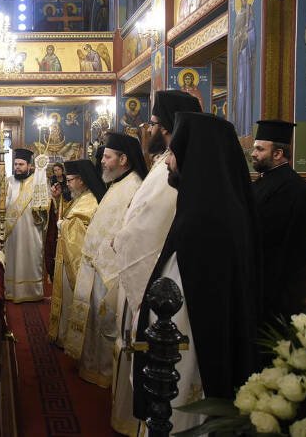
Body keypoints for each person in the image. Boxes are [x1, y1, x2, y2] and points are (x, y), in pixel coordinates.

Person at [133, 112, 260, 433]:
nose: (167, 161)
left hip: (188, 350)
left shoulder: (206, 219)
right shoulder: (209, 205)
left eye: (174, 153)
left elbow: (197, 299)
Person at [107, 90, 200, 436]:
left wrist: (122, 241)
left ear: (169, 126)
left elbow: (151, 224)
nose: (149, 129)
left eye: (155, 123)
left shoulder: (172, 166)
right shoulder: (164, 162)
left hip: (164, 278)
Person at [65, 132, 147, 388]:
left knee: (106, 324)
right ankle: (92, 366)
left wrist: (102, 260)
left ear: (123, 159)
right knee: (95, 321)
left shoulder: (134, 186)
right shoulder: (117, 183)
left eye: (108, 157)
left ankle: (105, 372)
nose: (102, 161)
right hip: (96, 266)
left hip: (110, 270)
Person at [251, 120, 306, 322]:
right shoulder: (264, 181)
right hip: (263, 279)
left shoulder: (292, 188)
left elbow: (270, 237)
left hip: (277, 287)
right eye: (254, 148)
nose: (253, 153)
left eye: (260, 149)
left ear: (278, 154)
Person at [48, 159, 106, 347]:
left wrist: (63, 226)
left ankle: (68, 338)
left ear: (81, 180)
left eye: (70, 180)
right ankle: (62, 335)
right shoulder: (81, 197)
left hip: (76, 259)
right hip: (67, 255)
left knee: (70, 298)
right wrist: (58, 200)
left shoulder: (90, 200)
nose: (68, 184)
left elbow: (79, 227)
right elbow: (68, 214)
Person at [3, 148, 48, 302]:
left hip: (31, 230)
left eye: (21, 164)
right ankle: (10, 291)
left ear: (29, 166)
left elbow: (45, 205)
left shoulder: (38, 182)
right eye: (15, 164)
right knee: (11, 259)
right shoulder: (9, 181)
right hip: (12, 232)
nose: (17, 167)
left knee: (31, 258)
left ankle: (31, 292)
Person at [232, 0, 256, 137]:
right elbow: (234, 37)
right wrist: (238, 38)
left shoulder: (250, 13)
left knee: (245, 92)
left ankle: (247, 131)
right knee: (239, 93)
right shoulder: (239, 14)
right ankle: (240, 130)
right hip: (239, 58)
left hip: (246, 57)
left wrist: (248, 36)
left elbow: (253, 33)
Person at [45, 162, 70, 279]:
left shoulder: (67, 180)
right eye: (54, 170)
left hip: (66, 206)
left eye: (58, 170)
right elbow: (51, 195)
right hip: (56, 207)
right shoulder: (52, 180)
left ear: (62, 170)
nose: (56, 172)